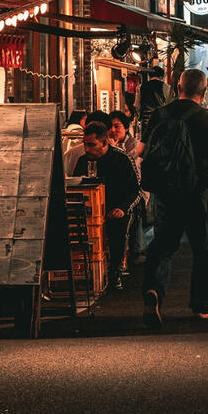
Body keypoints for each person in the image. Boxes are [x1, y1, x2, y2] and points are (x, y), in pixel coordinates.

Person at [141, 68, 208, 327]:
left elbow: (144, 150)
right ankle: (201, 304)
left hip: (165, 192)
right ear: (203, 92)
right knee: (203, 249)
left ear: (177, 88)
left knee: (163, 246)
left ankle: (154, 290)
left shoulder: (160, 114)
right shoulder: (207, 117)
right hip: (197, 191)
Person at [71, 121, 141, 290]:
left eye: (91, 145)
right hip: (91, 210)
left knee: (118, 231)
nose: (87, 149)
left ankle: (114, 273)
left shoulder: (122, 159)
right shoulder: (83, 161)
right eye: (85, 144)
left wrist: (123, 209)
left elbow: (136, 190)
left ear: (104, 142)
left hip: (117, 207)